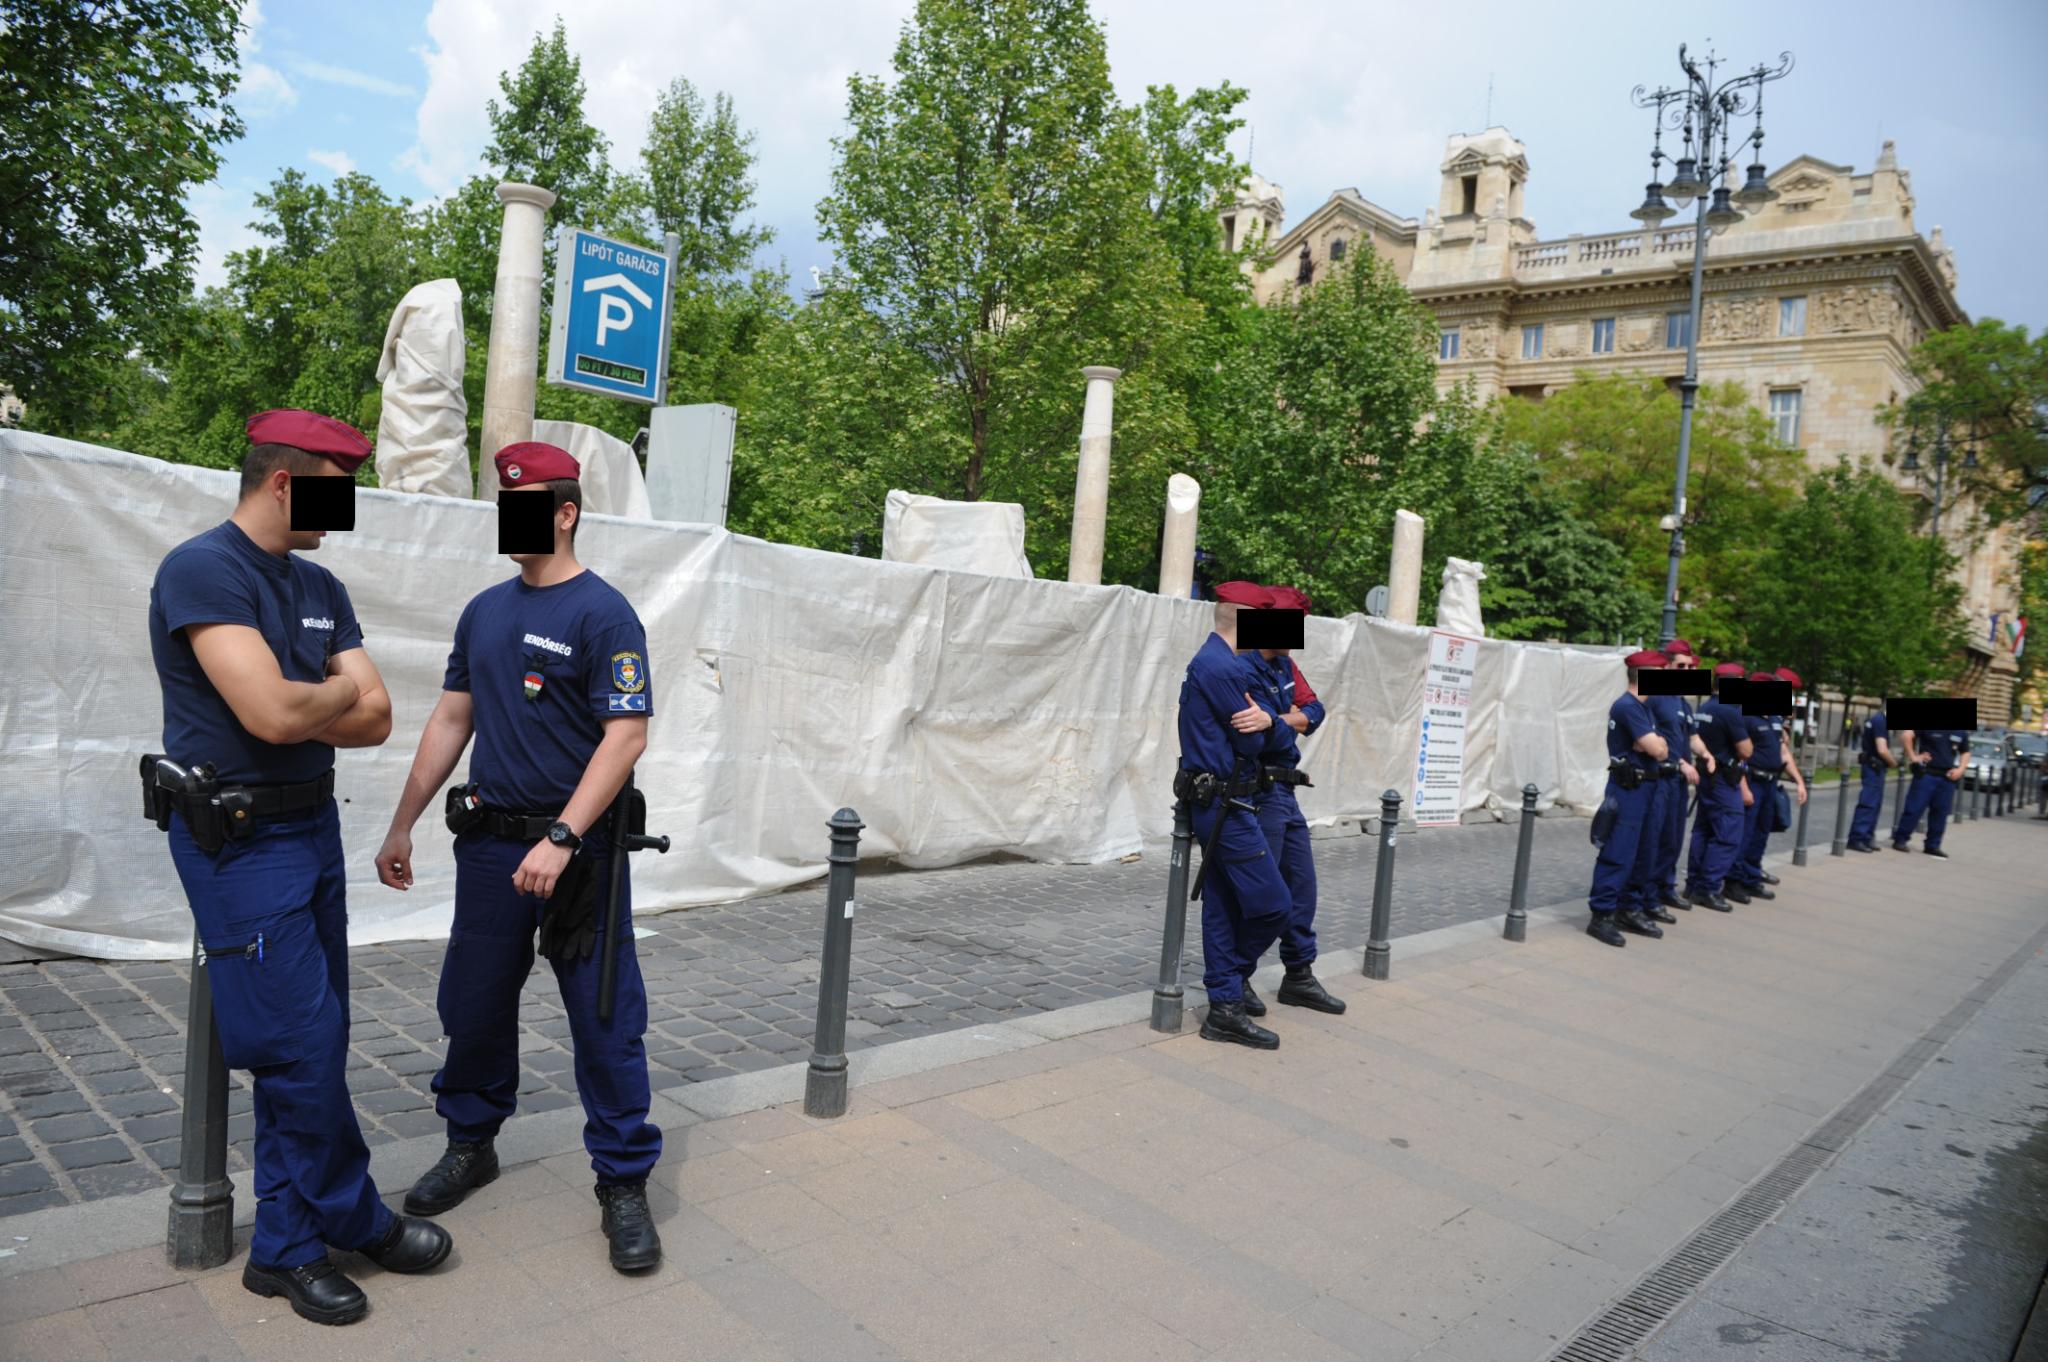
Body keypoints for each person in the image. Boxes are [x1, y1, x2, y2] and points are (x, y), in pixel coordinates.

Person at [148, 410, 453, 1325]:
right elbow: (278, 718)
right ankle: (345, 1220)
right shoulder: (204, 569)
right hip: (239, 842)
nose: (346, 502)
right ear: (285, 480)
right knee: (298, 1045)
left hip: (311, 829)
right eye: (336, 484)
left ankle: (286, 1245)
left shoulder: (318, 582)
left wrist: (304, 700)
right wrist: (325, 695)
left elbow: (378, 716)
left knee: (313, 1041)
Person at [375, 443, 663, 1273]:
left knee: (606, 1020)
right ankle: (472, 1141)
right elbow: (451, 719)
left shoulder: (604, 614)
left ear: (565, 512)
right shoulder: (484, 612)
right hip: (493, 848)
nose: (509, 519)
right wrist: (403, 823)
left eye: (526, 504)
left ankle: (622, 1181)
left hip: (581, 858)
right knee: (471, 1005)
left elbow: (628, 734)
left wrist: (564, 836)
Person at [1177, 592, 1293, 1047]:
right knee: (1274, 906)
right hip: (1225, 804)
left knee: (1225, 906)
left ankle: (1224, 1007)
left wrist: (1269, 722)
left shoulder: (1217, 660)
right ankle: (1226, 985)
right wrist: (1273, 725)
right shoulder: (1224, 667)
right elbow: (1254, 745)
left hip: (1227, 802)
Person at [1239, 584, 1345, 1014]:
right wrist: (1286, 724)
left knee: (1302, 889)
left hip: (1286, 790)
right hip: (1259, 789)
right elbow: (1256, 732)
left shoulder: (1286, 662)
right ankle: (1236, 977)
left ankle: (1298, 975)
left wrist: (1280, 720)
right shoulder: (1242, 666)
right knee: (1261, 893)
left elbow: (1315, 710)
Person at [1586, 650, 1671, 947]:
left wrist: (1654, 744)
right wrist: (1654, 745)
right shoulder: (1627, 706)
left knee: (1643, 852)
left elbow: (1661, 746)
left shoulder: (1644, 708)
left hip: (1646, 787)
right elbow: (1659, 750)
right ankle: (1603, 915)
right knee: (1618, 853)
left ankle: (1628, 908)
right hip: (1628, 789)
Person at [1644, 639, 1711, 918]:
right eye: (1680, 666)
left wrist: (1707, 755)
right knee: (1655, 838)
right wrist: (1682, 762)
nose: (1686, 671)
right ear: (1667, 665)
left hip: (1679, 782)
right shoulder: (1655, 697)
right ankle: (1648, 897)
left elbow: (1692, 737)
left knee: (1673, 837)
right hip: (1661, 777)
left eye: (1690, 667)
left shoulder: (1683, 702)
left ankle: (1666, 888)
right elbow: (1655, 739)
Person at [1684, 662, 1756, 913]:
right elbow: (1746, 750)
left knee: (1703, 831)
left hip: (1707, 777)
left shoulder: (1705, 707)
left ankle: (1693, 885)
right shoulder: (1729, 711)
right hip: (1724, 781)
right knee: (1727, 835)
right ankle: (1708, 888)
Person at [1891, 722, 1969, 857]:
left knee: (1940, 812)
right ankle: (1901, 839)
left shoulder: (1960, 730)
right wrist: (1914, 757)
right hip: (1926, 774)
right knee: (1914, 809)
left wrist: (1961, 769)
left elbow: (1965, 751)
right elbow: (1906, 735)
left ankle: (1933, 845)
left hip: (1946, 777)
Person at [1846, 704, 1896, 852]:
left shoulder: (1877, 719)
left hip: (1874, 766)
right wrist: (1893, 763)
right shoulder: (1880, 721)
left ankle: (1866, 837)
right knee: (1869, 803)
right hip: (1873, 767)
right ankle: (1857, 838)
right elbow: (1882, 749)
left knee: (1874, 804)